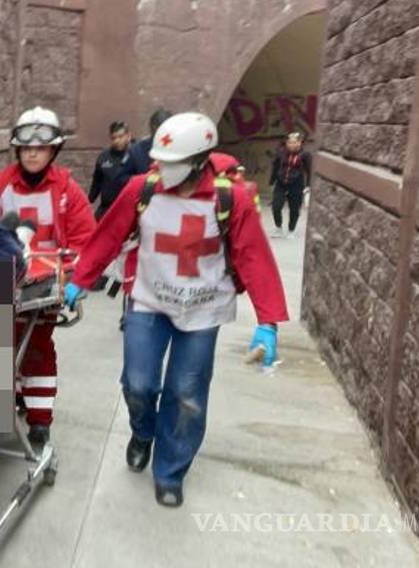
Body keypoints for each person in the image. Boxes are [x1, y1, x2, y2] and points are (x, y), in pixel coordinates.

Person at [63, 112, 288, 508]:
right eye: (160, 161)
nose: (163, 169)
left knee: (187, 395)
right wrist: (80, 279)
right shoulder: (142, 189)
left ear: (199, 160)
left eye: (174, 163)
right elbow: (109, 235)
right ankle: (143, 433)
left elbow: (253, 256)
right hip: (149, 299)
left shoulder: (230, 199)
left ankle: (170, 471)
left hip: (203, 309)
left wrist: (267, 322)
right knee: (138, 384)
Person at [0, 106, 96, 445]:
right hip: (5, 283)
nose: (32, 153)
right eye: (26, 147)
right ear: (17, 149)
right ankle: (11, 396)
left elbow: (85, 241)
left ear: (53, 150)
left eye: (40, 148)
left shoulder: (68, 191)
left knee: (37, 347)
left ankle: (40, 420)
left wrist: (71, 278)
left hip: (46, 287)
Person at [269, 131, 313, 238]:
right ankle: (278, 228)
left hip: (296, 185)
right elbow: (275, 166)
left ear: (300, 143)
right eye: (289, 142)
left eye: (294, 142)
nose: (292, 145)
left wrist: (308, 186)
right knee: (276, 206)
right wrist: (271, 181)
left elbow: (309, 171)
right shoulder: (281, 153)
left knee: (294, 209)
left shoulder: (305, 155)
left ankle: (291, 230)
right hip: (281, 183)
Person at [89, 120, 136, 220]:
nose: (117, 141)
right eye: (114, 138)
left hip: (129, 208)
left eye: (120, 137)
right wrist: (88, 201)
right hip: (107, 208)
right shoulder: (104, 157)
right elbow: (96, 183)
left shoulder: (136, 155)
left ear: (128, 136)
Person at [127, 107, 173, 174]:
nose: (161, 133)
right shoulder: (136, 150)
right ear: (151, 127)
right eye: (158, 127)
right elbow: (124, 177)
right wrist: (142, 178)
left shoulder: (179, 146)